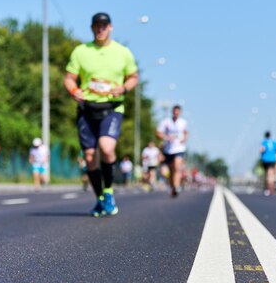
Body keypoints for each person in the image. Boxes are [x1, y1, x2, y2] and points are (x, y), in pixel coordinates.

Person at [63, 12, 139, 217]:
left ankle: (108, 191)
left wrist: (124, 88)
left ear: (110, 27)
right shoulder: (81, 51)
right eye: (97, 26)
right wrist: (74, 90)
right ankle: (100, 198)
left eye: (104, 26)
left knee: (106, 147)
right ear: (92, 28)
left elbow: (133, 77)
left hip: (112, 107)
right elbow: (69, 78)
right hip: (87, 108)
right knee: (89, 155)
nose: (100, 29)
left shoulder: (123, 52)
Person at [156, 105, 188, 198]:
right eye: (175, 112)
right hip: (168, 149)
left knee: (177, 167)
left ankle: (176, 187)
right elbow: (158, 133)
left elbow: (186, 132)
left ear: (180, 113)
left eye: (178, 112)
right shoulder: (166, 122)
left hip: (179, 148)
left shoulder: (183, 122)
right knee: (171, 170)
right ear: (172, 112)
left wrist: (184, 139)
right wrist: (166, 137)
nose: (176, 113)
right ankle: (172, 186)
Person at [260, 131, 276, 196]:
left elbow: (262, 149)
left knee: (268, 174)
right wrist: (274, 154)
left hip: (266, 160)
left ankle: (269, 188)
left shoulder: (264, 142)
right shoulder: (274, 143)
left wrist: (262, 154)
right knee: (271, 174)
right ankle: (271, 188)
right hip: (273, 159)